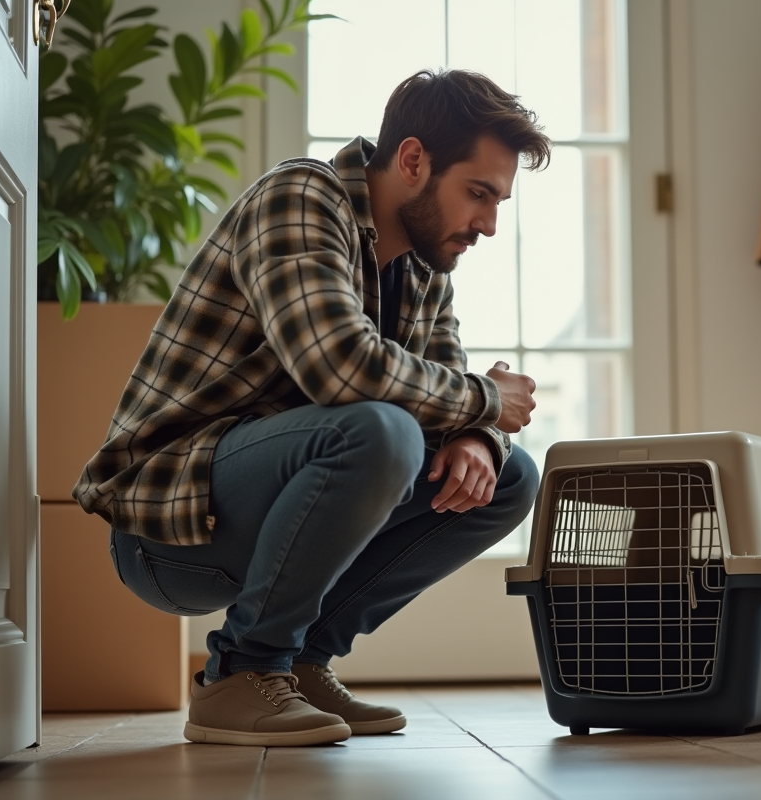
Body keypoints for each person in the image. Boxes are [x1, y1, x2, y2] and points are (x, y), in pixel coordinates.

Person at [72, 69, 550, 747]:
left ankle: (298, 662)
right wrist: (481, 400)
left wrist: (478, 437)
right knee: (380, 432)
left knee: (509, 477)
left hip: (256, 495)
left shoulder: (423, 267)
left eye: (499, 202)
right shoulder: (301, 195)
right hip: (167, 521)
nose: (489, 225)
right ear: (413, 160)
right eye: (478, 194)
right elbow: (340, 368)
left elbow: (445, 393)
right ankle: (242, 673)